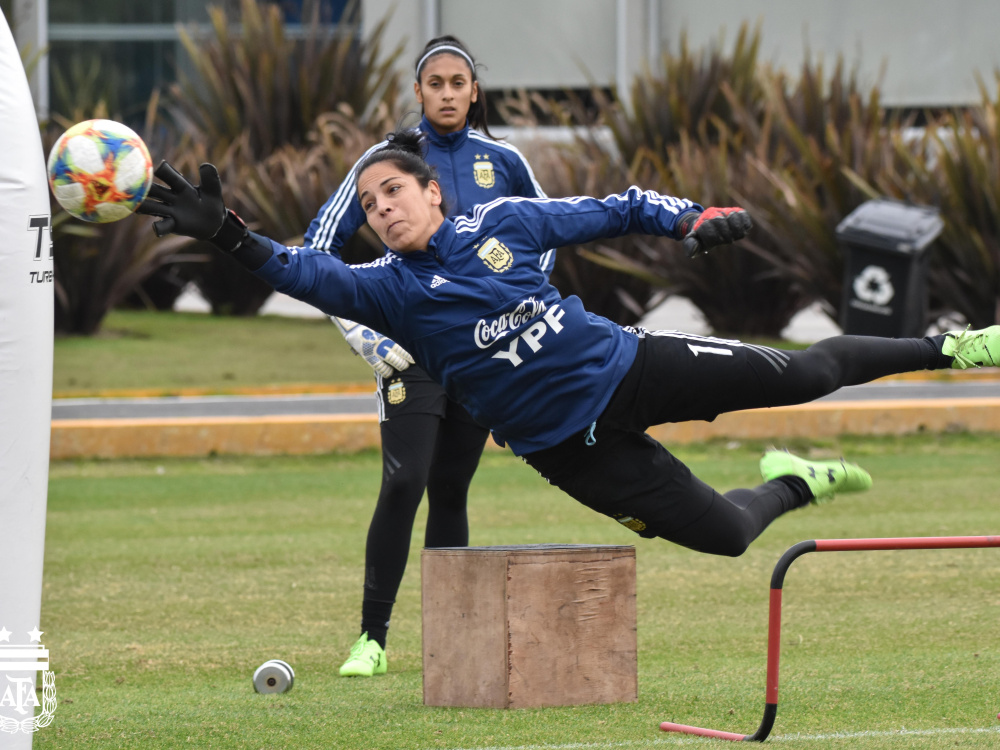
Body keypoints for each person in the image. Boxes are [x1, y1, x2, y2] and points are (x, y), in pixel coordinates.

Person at [137, 129, 1000, 604]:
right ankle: (796, 482)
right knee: (730, 537)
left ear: (433, 192)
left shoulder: (504, 223)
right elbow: (296, 270)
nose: (382, 208)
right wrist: (227, 233)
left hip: (634, 369)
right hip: (569, 451)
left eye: (392, 190)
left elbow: (617, 208)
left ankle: (956, 346)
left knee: (807, 375)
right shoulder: (386, 291)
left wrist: (692, 218)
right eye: (368, 204)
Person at [301, 37, 555, 677]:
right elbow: (317, 251)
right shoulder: (386, 162)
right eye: (434, 83)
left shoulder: (505, 161)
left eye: (457, 83)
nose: (446, 93)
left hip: (476, 353)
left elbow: (545, 236)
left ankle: (452, 637)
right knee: (404, 480)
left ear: (474, 92)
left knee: (450, 487)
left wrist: (514, 315)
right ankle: (371, 639)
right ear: (417, 92)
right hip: (409, 352)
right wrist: (365, 332)